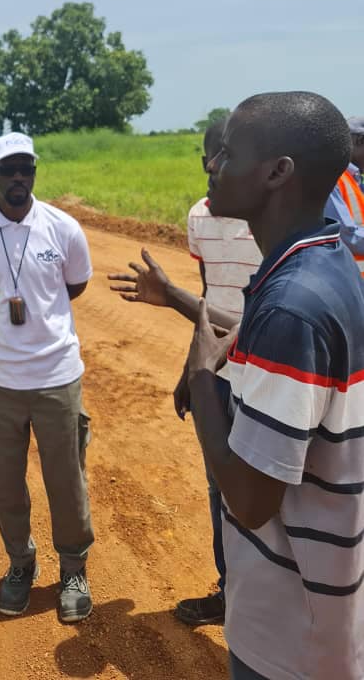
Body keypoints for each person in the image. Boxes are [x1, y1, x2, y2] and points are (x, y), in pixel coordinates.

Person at [134, 92, 363, 680]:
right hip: (323, 608)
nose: (212, 164)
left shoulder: (291, 305)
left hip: (291, 634)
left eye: (227, 153)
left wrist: (201, 379)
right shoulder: (324, 262)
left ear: (277, 173)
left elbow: (250, 501)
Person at [110, 117, 262, 627]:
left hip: (267, 373)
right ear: (204, 161)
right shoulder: (199, 217)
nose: (218, 166)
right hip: (218, 373)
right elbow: (208, 300)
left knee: (270, 488)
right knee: (220, 485)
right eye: (213, 156)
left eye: (230, 157)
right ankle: (230, 591)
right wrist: (188, 369)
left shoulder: (268, 219)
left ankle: (270, 602)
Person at [0, 132, 95, 623]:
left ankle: (73, 569)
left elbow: (73, 287)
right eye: (8, 170)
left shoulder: (63, 228)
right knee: (5, 481)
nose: (19, 178)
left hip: (56, 375)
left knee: (66, 478)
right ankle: (21, 561)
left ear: (34, 173)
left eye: (26, 169)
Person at [324, 115, 364, 276]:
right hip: (348, 284)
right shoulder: (332, 178)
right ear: (360, 141)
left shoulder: (354, 179)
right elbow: (346, 236)